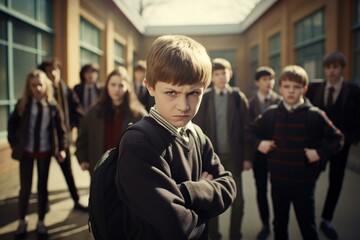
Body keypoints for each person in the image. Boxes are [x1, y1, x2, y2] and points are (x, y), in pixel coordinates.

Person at [115, 35, 237, 239]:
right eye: (171, 92)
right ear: (150, 87)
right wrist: (208, 193)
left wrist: (186, 192)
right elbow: (179, 228)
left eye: (194, 93)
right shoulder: (138, 143)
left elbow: (229, 186)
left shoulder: (196, 133)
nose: (184, 105)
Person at [246, 65, 344, 240]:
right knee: (279, 227)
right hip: (278, 182)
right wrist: (259, 143)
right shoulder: (272, 114)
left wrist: (320, 153)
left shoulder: (315, 115)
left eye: (296, 87)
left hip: (304, 183)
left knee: (307, 227)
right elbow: (249, 131)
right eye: (287, 86)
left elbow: (339, 139)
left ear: (304, 89)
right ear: (280, 88)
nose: (291, 91)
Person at [193, 57, 251, 240]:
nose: (221, 77)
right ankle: (214, 235)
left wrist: (247, 157)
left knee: (238, 200)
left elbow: (247, 129)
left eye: (224, 73)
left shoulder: (237, 97)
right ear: (212, 77)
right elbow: (198, 129)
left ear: (230, 74)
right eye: (216, 74)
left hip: (234, 156)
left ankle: (235, 234)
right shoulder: (206, 98)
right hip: (212, 158)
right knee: (212, 199)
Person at [306, 52, 360, 240]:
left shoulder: (353, 90)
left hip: (340, 147)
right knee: (310, 180)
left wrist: (353, 137)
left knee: (336, 182)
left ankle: (326, 220)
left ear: (342, 69)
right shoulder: (314, 88)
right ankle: (308, 218)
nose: (331, 71)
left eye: (335, 67)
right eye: (328, 67)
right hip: (318, 147)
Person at [7, 69, 67, 240]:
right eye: (33, 85)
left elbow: (62, 130)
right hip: (26, 152)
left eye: (40, 84)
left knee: (42, 187)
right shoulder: (23, 104)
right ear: (29, 86)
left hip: (44, 151)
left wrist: (62, 148)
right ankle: (22, 220)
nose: (37, 88)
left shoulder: (53, 106)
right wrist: (13, 143)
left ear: (46, 85)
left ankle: (41, 221)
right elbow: (12, 125)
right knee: (25, 188)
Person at [38, 58, 88, 212]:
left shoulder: (66, 89)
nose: (53, 73)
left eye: (56, 69)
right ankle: (43, 203)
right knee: (42, 174)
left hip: (62, 140)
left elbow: (77, 110)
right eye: (49, 70)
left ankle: (76, 200)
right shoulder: (39, 93)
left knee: (68, 173)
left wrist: (76, 127)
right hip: (44, 141)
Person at [76, 67, 147, 173]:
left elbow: (146, 145)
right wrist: (83, 158)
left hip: (127, 171)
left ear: (128, 87)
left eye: (121, 85)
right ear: (107, 86)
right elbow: (82, 138)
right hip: (100, 169)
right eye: (113, 84)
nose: (116, 89)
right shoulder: (94, 112)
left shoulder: (138, 114)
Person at [248, 66, 281, 240]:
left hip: (279, 155)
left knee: (278, 191)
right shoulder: (250, 103)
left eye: (271, 79)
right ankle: (265, 224)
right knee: (261, 190)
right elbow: (247, 130)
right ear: (257, 82)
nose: (269, 82)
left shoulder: (281, 100)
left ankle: (278, 224)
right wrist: (258, 144)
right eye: (265, 79)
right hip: (259, 154)